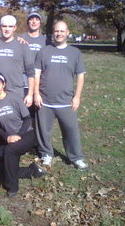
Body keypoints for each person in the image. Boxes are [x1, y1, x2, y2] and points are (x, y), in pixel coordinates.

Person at [34, 21, 88, 170]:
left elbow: (80, 76)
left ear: (67, 33)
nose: (59, 34)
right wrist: (36, 93)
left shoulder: (75, 53)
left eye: (62, 31)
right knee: (44, 130)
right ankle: (46, 154)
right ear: (53, 32)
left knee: (71, 130)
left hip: (66, 101)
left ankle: (76, 157)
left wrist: (77, 97)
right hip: (45, 101)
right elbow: (36, 74)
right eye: (56, 31)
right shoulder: (44, 51)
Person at [0, 73, 45, 197]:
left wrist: (19, 135)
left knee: (10, 151)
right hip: (9, 138)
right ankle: (32, 171)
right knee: (5, 167)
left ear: (3, 85)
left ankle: (12, 187)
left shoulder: (14, 98)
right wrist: (7, 137)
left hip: (27, 134)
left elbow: (27, 119)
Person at [0, 15, 35, 105]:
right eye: (4, 26)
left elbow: (31, 73)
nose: (7, 29)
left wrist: (30, 94)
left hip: (16, 92)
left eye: (10, 26)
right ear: (0, 27)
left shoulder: (23, 45)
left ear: (15, 28)